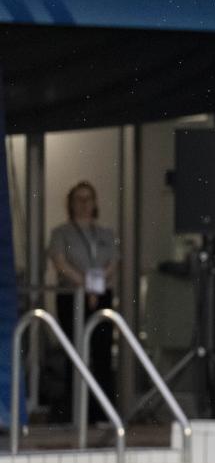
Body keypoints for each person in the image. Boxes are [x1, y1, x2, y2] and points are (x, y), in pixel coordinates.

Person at [47, 181, 120, 423]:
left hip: (101, 296)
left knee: (101, 353)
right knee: (74, 352)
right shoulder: (61, 233)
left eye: (88, 198)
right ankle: (74, 411)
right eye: (79, 198)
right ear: (71, 203)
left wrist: (95, 288)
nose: (84, 203)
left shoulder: (106, 234)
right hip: (72, 296)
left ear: (95, 202)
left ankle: (101, 411)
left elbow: (113, 262)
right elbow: (60, 263)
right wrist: (85, 285)